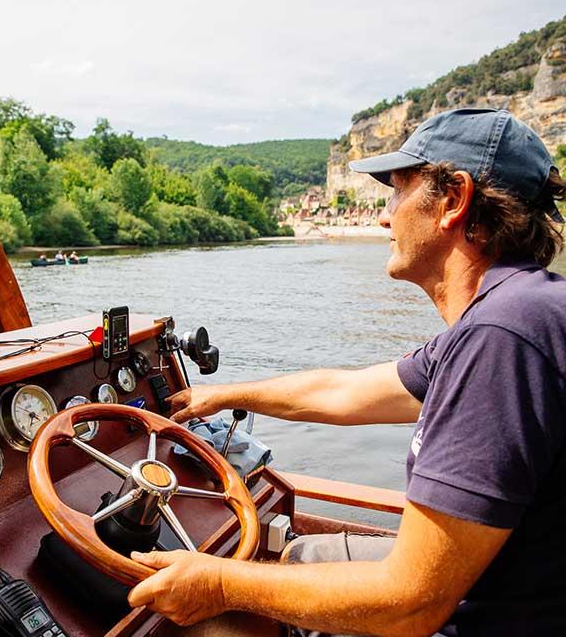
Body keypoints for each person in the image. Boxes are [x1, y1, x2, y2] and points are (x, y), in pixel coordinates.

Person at [127, 109, 566, 637]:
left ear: (453, 201)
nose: (385, 216)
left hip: (489, 619)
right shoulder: (517, 311)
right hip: (511, 588)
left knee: (210, 622)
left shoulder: (501, 338)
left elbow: (412, 604)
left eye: (399, 191)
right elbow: (346, 392)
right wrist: (221, 395)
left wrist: (221, 584)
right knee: (301, 554)